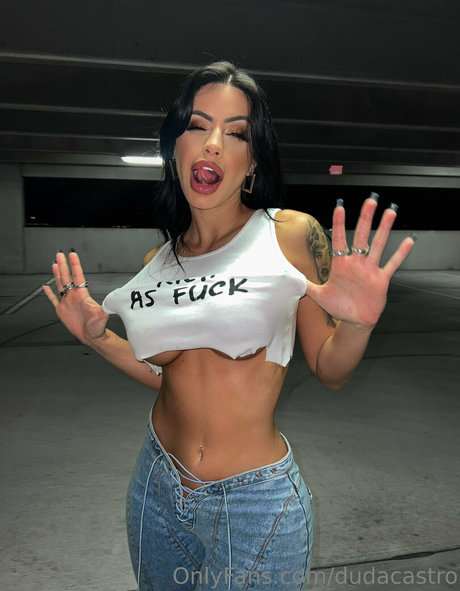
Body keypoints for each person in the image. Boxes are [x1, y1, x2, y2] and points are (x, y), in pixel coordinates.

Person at [44, 61, 415, 591]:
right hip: (157, 487)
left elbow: (330, 369)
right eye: (197, 126)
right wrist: (97, 338)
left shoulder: (288, 236)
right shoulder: (157, 262)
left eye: (236, 133)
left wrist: (356, 325)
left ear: (253, 161)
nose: (214, 143)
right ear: (175, 147)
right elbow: (167, 378)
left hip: (253, 505)